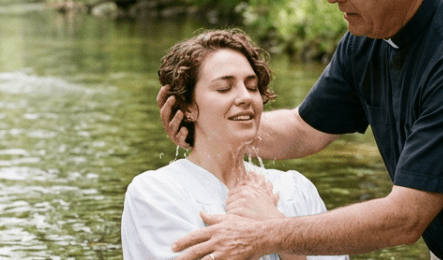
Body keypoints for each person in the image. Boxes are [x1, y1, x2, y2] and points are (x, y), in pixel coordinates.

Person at [157, 0, 443, 259]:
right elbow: (303, 128)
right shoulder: (367, 40)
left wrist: (264, 234)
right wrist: (214, 127)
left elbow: (405, 219)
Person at [122, 29, 349, 260]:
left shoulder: (296, 190)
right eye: (224, 88)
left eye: (252, 87)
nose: (245, 97)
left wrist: (276, 228)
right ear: (188, 106)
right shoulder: (156, 194)